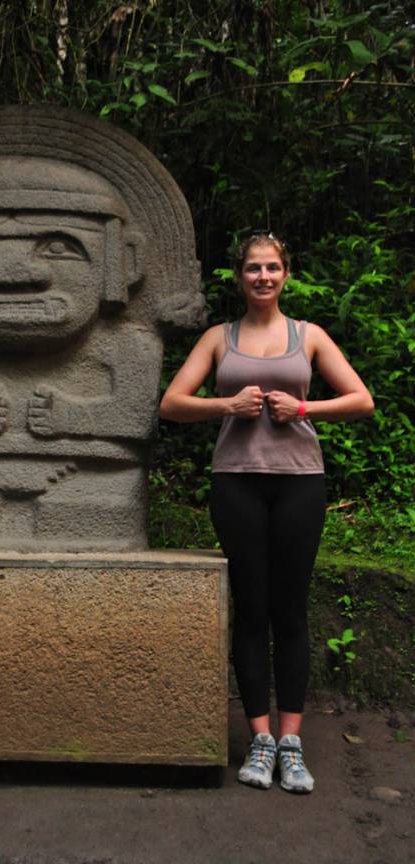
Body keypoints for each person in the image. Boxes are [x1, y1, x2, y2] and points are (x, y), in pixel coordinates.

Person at [159, 232, 374, 793]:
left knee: (291, 610)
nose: (263, 277)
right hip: (236, 484)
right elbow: (172, 403)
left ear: (286, 274)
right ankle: (259, 737)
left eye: (272, 267)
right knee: (251, 609)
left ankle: (291, 742)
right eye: (253, 268)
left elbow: (361, 400)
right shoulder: (218, 338)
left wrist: (303, 407)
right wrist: (225, 405)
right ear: (239, 276)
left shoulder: (309, 336)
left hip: (300, 483)